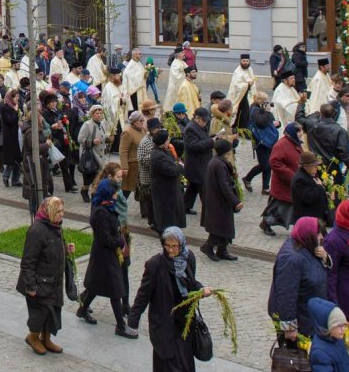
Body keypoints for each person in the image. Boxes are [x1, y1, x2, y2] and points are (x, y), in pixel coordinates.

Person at [127, 226, 211, 372]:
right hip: (164, 325)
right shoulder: (155, 265)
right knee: (167, 364)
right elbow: (143, 295)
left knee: (184, 363)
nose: (171, 250)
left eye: (174, 246)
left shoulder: (188, 258)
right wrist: (133, 319)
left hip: (184, 324)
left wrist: (201, 290)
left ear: (182, 244)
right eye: (168, 246)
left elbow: (191, 283)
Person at [78, 166, 136, 338]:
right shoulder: (100, 212)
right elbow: (105, 238)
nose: (115, 196)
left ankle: (82, 310)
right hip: (104, 254)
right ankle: (120, 325)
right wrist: (120, 241)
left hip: (106, 254)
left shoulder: (108, 208)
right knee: (115, 290)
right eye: (113, 193)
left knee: (95, 286)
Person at [17, 196, 70, 356]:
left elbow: (53, 249)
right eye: (58, 211)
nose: (62, 215)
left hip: (54, 281)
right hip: (40, 283)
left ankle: (46, 339)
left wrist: (66, 249)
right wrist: (31, 285)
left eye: (62, 211)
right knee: (40, 312)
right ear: (49, 212)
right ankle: (33, 337)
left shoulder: (56, 226)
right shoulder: (37, 230)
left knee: (53, 311)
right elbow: (28, 261)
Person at [268, 216, 331, 339]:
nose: (321, 237)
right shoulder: (291, 259)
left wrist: (325, 258)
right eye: (318, 234)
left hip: (309, 317)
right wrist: (290, 327)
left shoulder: (307, 247)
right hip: (300, 322)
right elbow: (286, 294)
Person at [199, 137, 241, 261]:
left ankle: (222, 250)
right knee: (219, 227)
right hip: (218, 201)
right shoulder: (218, 164)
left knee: (224, 226)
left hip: (218, 200)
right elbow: (224, 185)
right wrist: (236, 201)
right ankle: (208, 247)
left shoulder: (217, 161)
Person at [263, 122, 303, 235]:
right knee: (277, 207)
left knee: (291, 207)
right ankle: (266, 223)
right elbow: (274, 162)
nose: (301, 133)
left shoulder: (294, 142)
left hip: (292, 183)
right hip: (284, 183)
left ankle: (299, 227)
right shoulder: (281, 144)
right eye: (299, 131)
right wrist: (291, 175)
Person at [150, 129, 186, 233]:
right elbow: (171, 171)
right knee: (167, 217)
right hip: (164, 192)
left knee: (170, 216)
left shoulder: (162, 151)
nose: (169, 141)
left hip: (168, 190)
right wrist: (180, 166)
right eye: (167, 139)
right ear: (163, 142)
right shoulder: (158, 155)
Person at [181, 106, 213, 215]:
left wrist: (213, 138)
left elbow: (203, 140)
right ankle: (210, 211)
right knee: (204, 189)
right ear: (197, 118)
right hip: (196, 165)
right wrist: (211, 142)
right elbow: (194, 146)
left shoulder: (199, 127)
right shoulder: (191, 128)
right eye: (204, 120)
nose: (206, 122)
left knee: (192, 188)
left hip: (200, 163)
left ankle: (185, 206)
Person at [308, 297, 349, 372]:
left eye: (344, 325)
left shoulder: (337, 338)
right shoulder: (320, 353)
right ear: (328, 327)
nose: (343, 329)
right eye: (339, 326)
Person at [77, 104, 109, 202]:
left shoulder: (103, 123)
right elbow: (80, 139)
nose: (99, 115)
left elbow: (104, 137)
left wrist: (108, 139)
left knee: (98, 178)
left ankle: (95, 194)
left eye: (100, 113)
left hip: (100, 155)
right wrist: (91, 141)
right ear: (92, 114)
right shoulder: (87, 124)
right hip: (90, 157)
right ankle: (84, 190)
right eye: (97, 113)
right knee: (88, 179)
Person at [291, 151, 331, 227]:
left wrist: (325, 194)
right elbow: (308, 198)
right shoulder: (300, 179)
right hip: (307, 221)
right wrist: (320, 187)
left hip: (314, 218)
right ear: (306, 166)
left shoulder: (309, 175)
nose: (316, 168)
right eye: (314, 166)